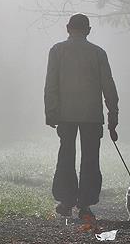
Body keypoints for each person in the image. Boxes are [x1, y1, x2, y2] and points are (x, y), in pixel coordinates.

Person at [44, 14, 119, 219]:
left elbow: (51, 84)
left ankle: (66, 201)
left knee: (66, 156)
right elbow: (108, 86)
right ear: (88, 30)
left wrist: (51, 112)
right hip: (92, 115)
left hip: (65, 115)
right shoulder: (98, 53)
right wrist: (113, 115)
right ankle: (85, 203)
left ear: (68, 28)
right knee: (90, 159)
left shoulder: (57, 51)